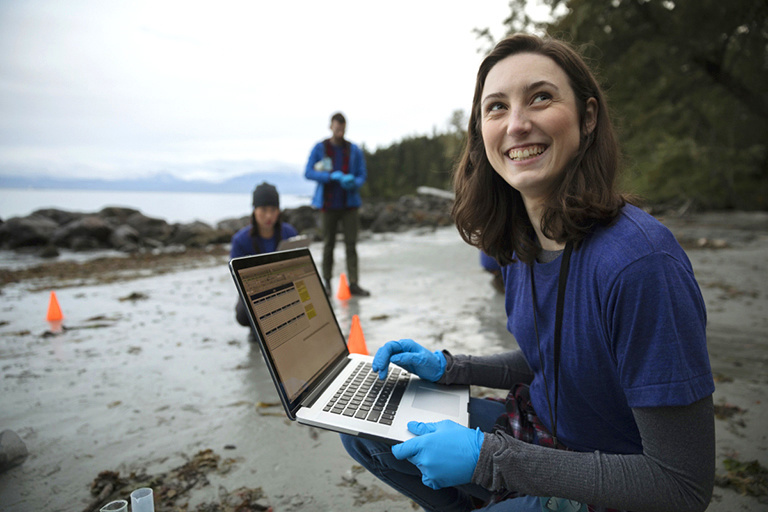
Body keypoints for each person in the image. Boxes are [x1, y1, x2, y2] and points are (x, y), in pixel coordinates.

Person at [340, 33, 715, 512]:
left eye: (541, 97)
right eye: (496, 107)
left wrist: (490, 459)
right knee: (366, 433)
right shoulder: (521, 243)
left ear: (588, 116)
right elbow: (555, 357)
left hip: (616, 482)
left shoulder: (640, 265)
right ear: (482, 135)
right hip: (538, 431)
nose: (517, 124)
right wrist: (451, 367)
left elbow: (682, 487)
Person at [304, 112, 370, 297]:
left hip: (349, 205)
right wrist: (329, 176)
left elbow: (362, 175)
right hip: (328, 204)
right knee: (328, 245)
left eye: (342, 127)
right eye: (337, 126)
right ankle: (326, 284)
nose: (339, 130)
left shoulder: (354, 150)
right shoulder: (320, 148)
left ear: (345, 128)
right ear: (331, 126)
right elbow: (308, 172)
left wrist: (353, 182)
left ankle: (354, 284)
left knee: (351, 244)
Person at [230, 182, 298, 329]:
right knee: (242, 314)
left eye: (273, 210)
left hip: (285, 286)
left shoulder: (289, 233)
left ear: (279, 211)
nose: (269, 216)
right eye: (264, 210)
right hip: (256, 292)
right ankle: (256, 329)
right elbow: (238, 280)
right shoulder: (240, 240)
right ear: (254, 210)